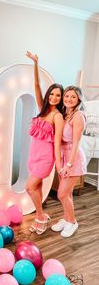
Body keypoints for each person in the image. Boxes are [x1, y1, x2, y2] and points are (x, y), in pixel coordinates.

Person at [25, 51, 64, 234]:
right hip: (34, 155)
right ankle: (41, 216)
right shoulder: (42, 110)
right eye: (53, 94)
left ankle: (40, 216)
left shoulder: (57, 116)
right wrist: (35, 63)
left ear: (61, 98)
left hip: (46, 158)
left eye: (58, 95)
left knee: (29, 187)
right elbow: (36, 85)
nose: (54, 97)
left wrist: (58, 164)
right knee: (37, 187)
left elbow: (57, 143)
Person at [51, 86, 86, 237]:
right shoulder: (65, 115)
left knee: (62, 194)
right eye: (67, 96)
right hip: (64, 156)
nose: (69, 99)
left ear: (78, 99)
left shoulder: (78, 116)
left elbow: (76, 143)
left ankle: (72, 222)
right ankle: (66, 219)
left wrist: (69, 164)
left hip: (73, 158)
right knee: (67, 193)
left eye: (73, 97)